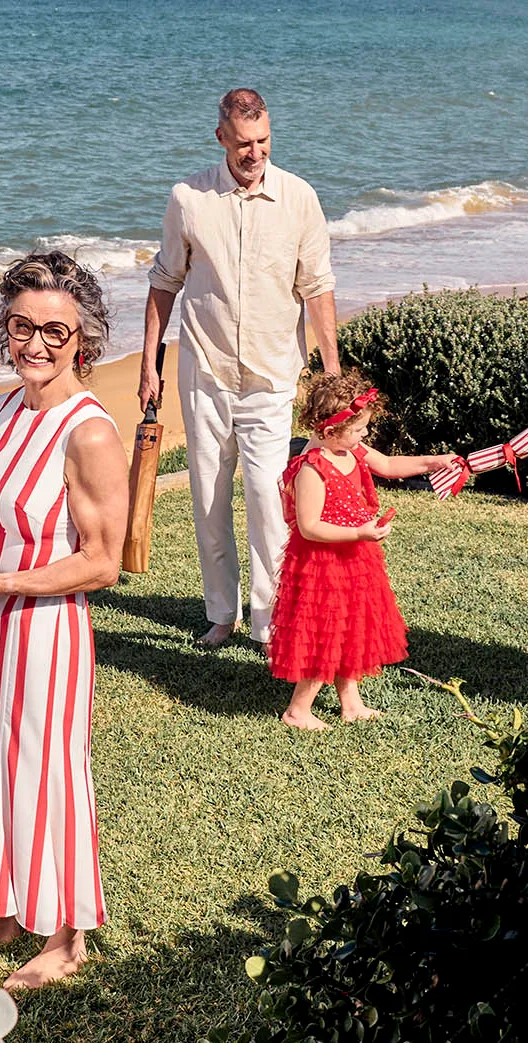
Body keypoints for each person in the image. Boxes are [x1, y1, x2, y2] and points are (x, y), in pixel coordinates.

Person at [0, 252, 127, 990]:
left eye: (55, 332)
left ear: (84, 340)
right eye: (21, 327)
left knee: (47, 776)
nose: (35, 345)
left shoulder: (90, 432)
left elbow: (101, 563)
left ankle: (65, 940)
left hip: (46, 632)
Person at [142, 87, 341, 649]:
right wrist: (149, 364)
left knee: (266, 502)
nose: (254, 153)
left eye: (263, 141)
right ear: (221, 138)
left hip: (273, 377)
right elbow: (164, 284)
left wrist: (331, 372)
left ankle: (268, 620)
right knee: (208, 500)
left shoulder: (300, 198)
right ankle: (221, 614)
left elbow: (318, 289)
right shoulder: (188, 198)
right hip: (203, 372)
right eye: (244, 143)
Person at [268, 373, 458, 731]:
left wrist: (433, 463)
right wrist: (361, 531)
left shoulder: (349, 449)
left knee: (354, 626)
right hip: (321, 563)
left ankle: (351, 702)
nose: (363, 437)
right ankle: (298, 709)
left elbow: (387, 465)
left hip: (355, 556)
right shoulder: (312, 467)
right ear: (329, 430)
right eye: (358, 431)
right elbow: (309, 526)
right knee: (325, 631)